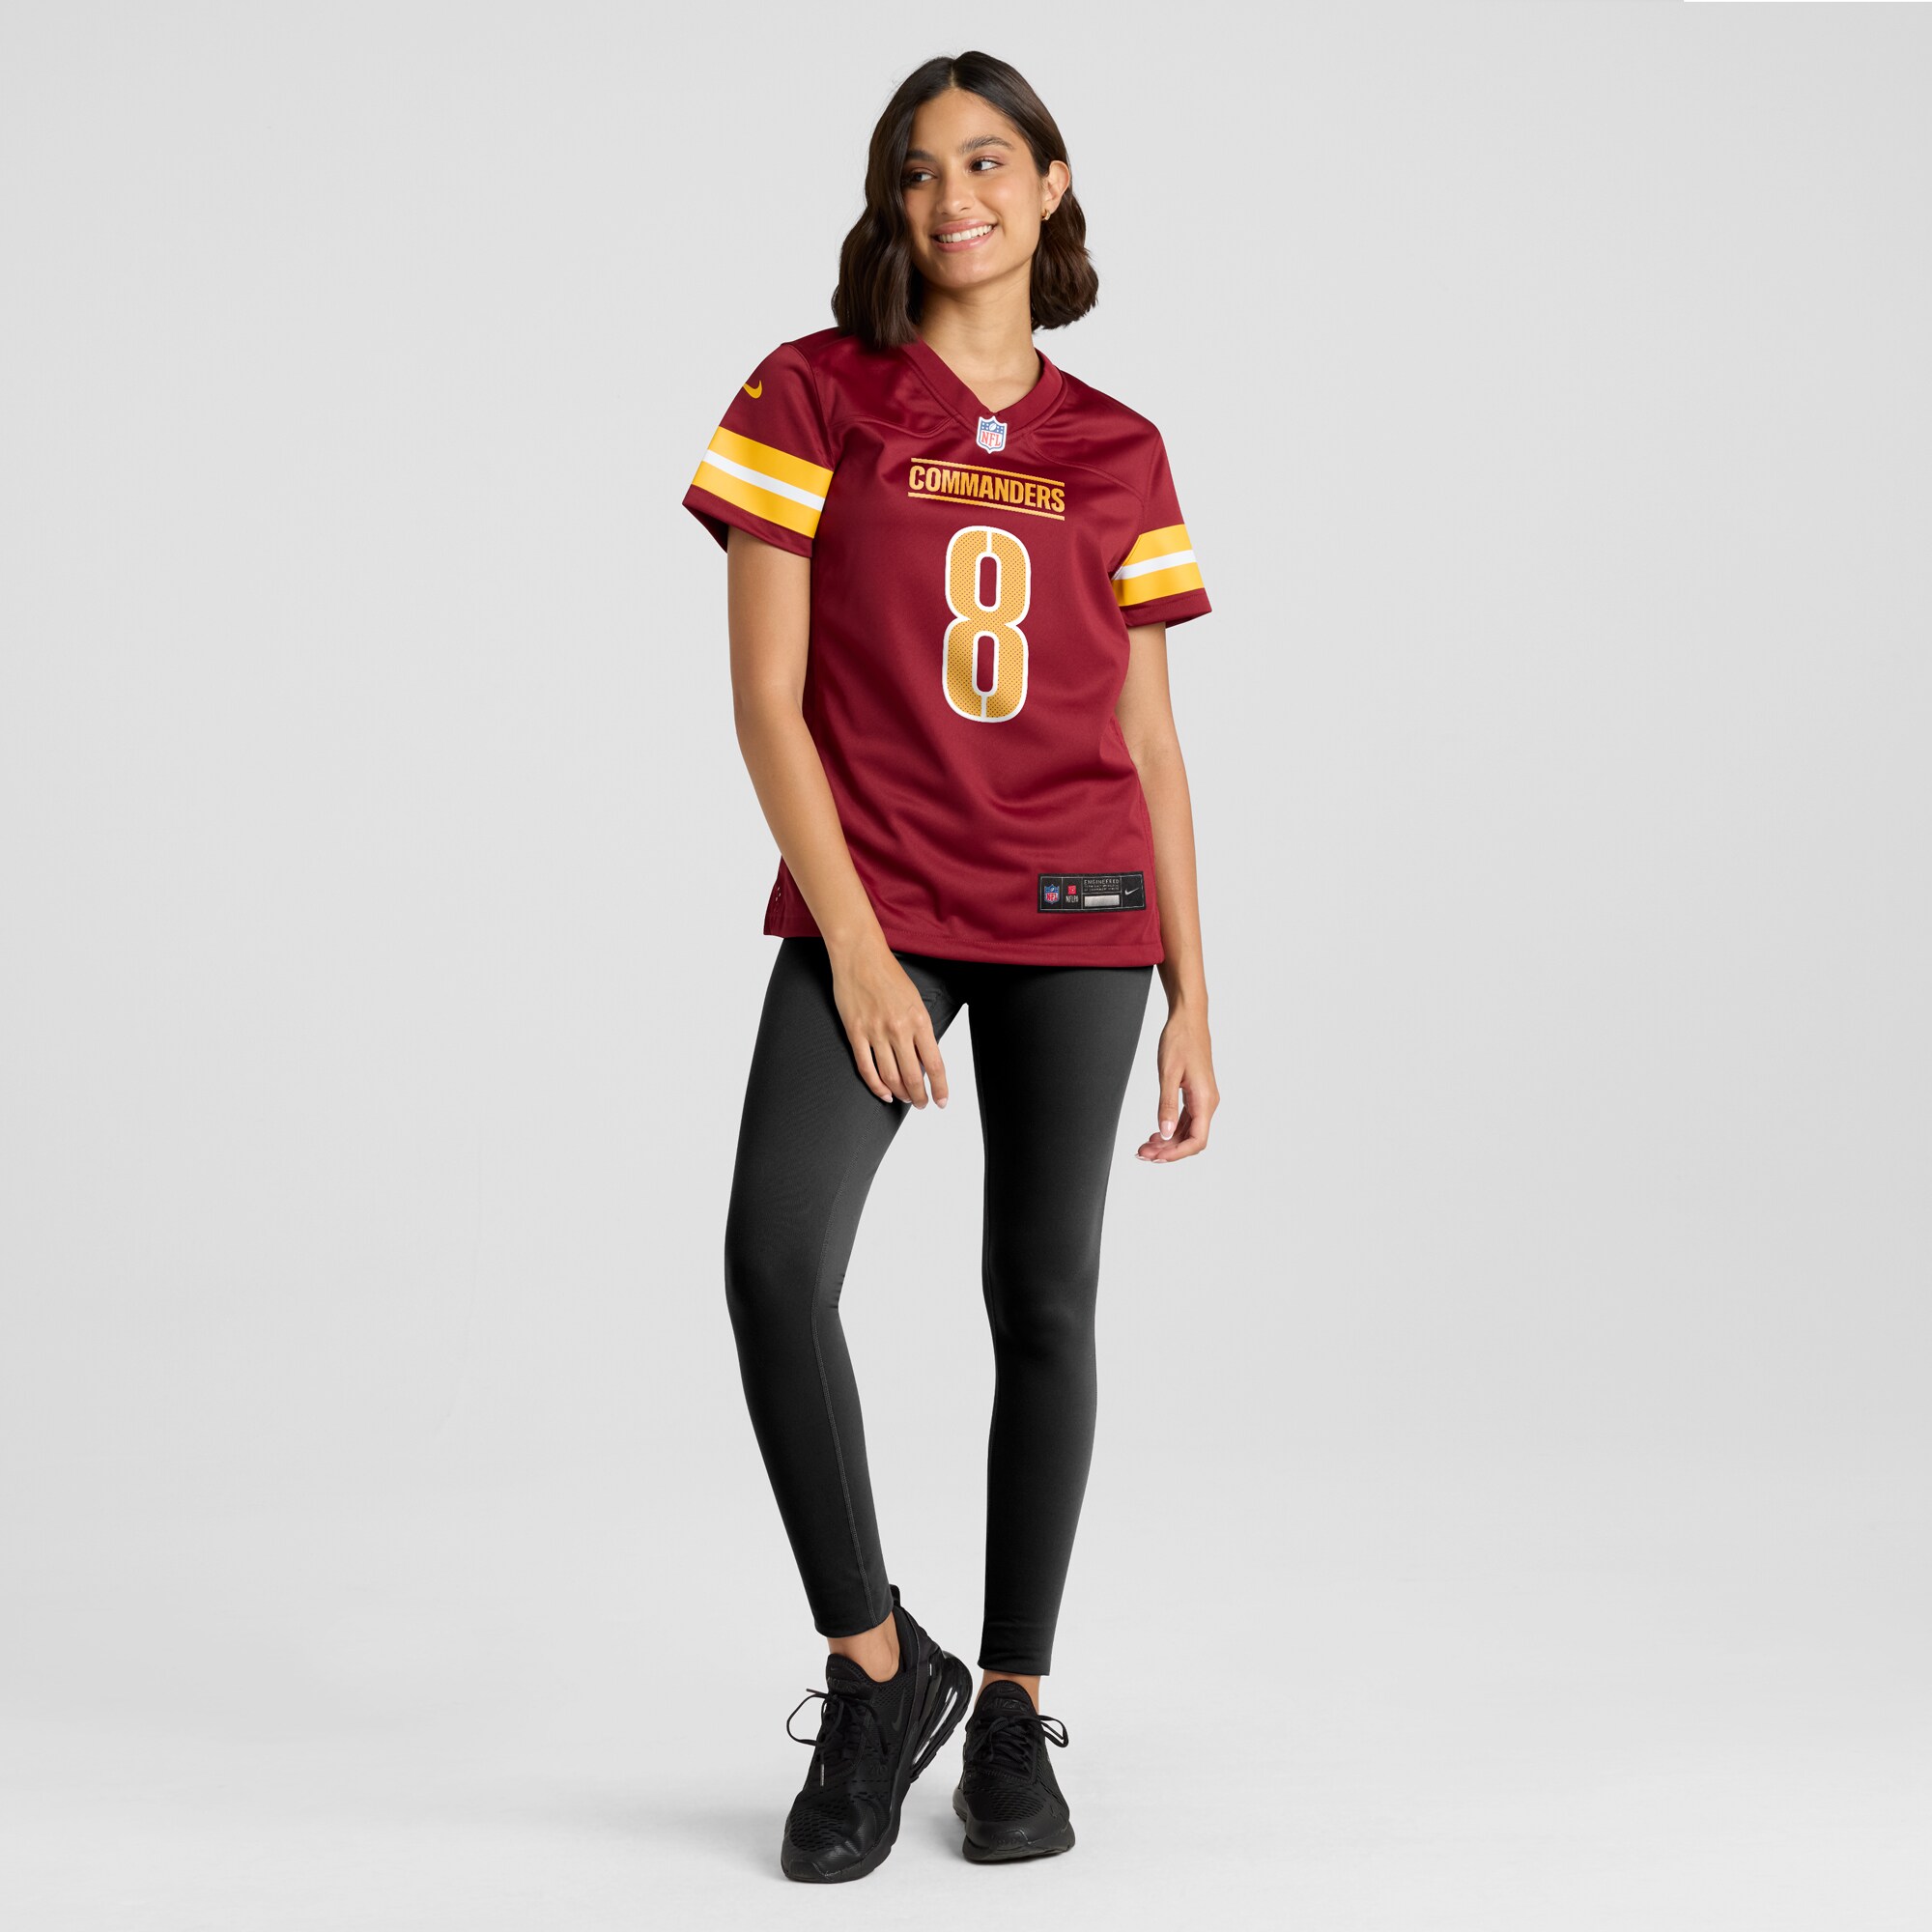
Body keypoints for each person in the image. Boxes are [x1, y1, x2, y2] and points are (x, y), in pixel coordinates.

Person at [681, 48, 1220, 1882]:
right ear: (889, 202)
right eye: (918, 171)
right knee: (775, 1262)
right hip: (882, 897)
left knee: (1042, 1299)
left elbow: (1150, 745)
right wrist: (853, 943)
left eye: (988, 162)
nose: (953, 197)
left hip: (1081, 907)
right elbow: (767, 705)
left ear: (1050, 184)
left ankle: (1010, 1704)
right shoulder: (813, 391)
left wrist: (1198, 996)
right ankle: (875, 1666)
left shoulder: (1119, 447)